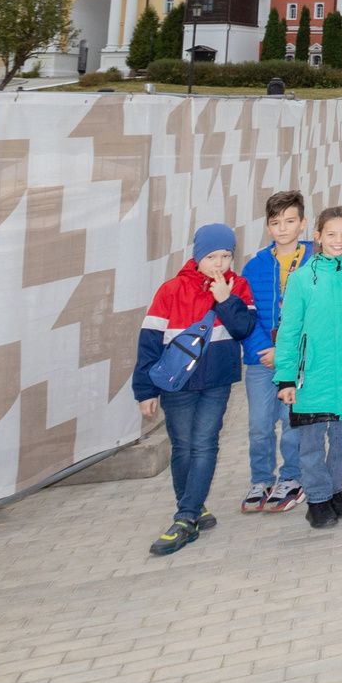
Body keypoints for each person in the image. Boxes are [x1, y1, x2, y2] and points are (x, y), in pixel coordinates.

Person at [135, 223, 258, 556]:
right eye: (212, 256)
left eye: (226, 256)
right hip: (177, 384)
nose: (219, 264)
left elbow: (245, 328)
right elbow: (149, 342)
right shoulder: (171, 289)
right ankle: (194, 507)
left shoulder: (238, 286)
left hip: (217, 381)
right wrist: (144, 389)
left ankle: (186, 517)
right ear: (197, 256)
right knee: (183, 446)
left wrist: (224, 300)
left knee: (204, 443)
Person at [270, 205, 342, 530]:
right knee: (311, 444)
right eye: (331, 234)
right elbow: (289, 331)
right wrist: (285, 378)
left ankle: (334, 489)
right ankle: (316, 499)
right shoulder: (301, 279)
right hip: (311, 377)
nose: (338, 240)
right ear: (317, 236)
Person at [238, 190, 309, 515]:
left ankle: (292, 478)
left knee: (292, 421)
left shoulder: (313, 261)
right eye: (276, 222)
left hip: (297, 360)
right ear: (268, 226)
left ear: (302, 224)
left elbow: (317, 314)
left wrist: (289, 352)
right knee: (260, 424)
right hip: (261, 360)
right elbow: (244, 315)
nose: (283, 228)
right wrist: (261, 348)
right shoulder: (255, 267)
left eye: (290, 221)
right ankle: (261, 479)